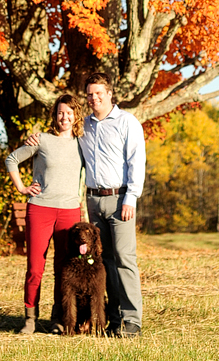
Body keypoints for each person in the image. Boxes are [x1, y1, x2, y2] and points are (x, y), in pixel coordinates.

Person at [5, 92, 85, 336]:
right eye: (61, 112)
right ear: (55, 115)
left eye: (69, 113)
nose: (65, 117)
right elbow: (11, 159)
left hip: (70, 212)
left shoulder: (83, 143)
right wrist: (21, 187)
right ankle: (30, 318)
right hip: (40, 209)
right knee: (35, 267)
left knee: (63, 268)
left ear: (76, 116)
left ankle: (58, 318)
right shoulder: (42, 140)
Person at [79, 73, 145, 337]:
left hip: (120, 200)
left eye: (99, 93)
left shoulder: (127, 122)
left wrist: (131, 197)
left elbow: (136, 162)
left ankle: (132, 320)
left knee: (124, 259)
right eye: (90, 94)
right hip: (93, 200)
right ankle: (114, 318)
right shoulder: (84, 126)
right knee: (104, 262)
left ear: (109, 94)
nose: (94, 98)